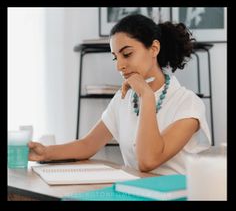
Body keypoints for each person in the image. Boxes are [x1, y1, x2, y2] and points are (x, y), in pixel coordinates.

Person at [28, 14, 211, 175]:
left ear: (154, 49)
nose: (119, 66)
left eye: (127, 54)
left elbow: (147, 161)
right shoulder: (124, 99)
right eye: (116, 57)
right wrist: (45, 152)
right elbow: (87, 145)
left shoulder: (188, 104)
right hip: (135, 193)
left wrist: (146, 96)